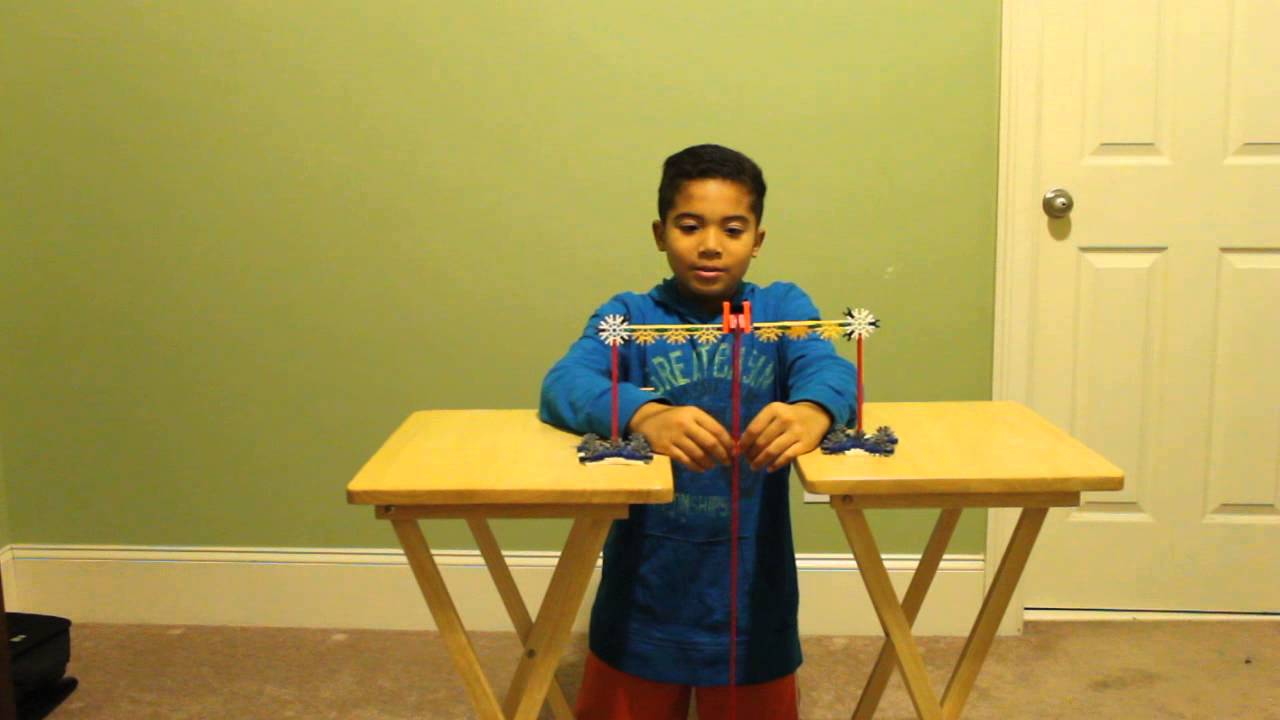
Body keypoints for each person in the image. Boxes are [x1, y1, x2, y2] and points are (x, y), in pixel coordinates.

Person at [539, 144, 856, 720]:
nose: (711, 244)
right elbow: (564, 383)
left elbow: (828, 367)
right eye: (690, 226)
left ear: (757, 239)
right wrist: (644, 414)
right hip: (643, 593)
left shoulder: (782, 308)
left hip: (752, 598)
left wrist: (813, 408)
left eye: (733, 229)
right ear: (660, 233)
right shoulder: (628, 316)